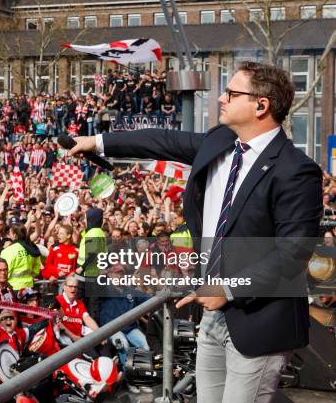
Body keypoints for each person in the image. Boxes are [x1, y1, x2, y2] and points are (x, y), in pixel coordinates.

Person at [69, 61, 323, 403]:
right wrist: (97, 142)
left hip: (260, 323)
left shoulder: (296, 170)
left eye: (232, 93)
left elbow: (292, 253)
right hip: (213, 317)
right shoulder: (221, 142)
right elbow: (162, 140)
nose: (221, 98)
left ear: (261, 106)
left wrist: (229, 289)